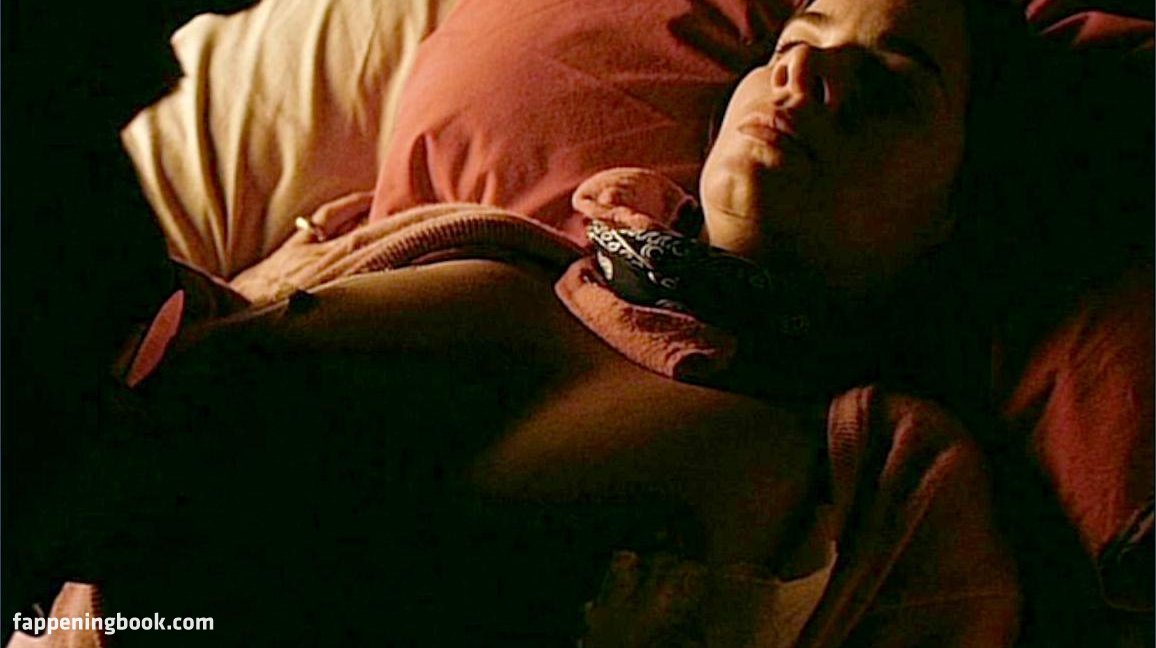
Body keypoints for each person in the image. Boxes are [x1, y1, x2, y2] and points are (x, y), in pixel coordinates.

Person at [8, 0, 1029, 645]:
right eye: (795, 43)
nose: (806, 75)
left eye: (892, 84)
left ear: (951, 210)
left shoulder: (892, 481)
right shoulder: (465, 241)